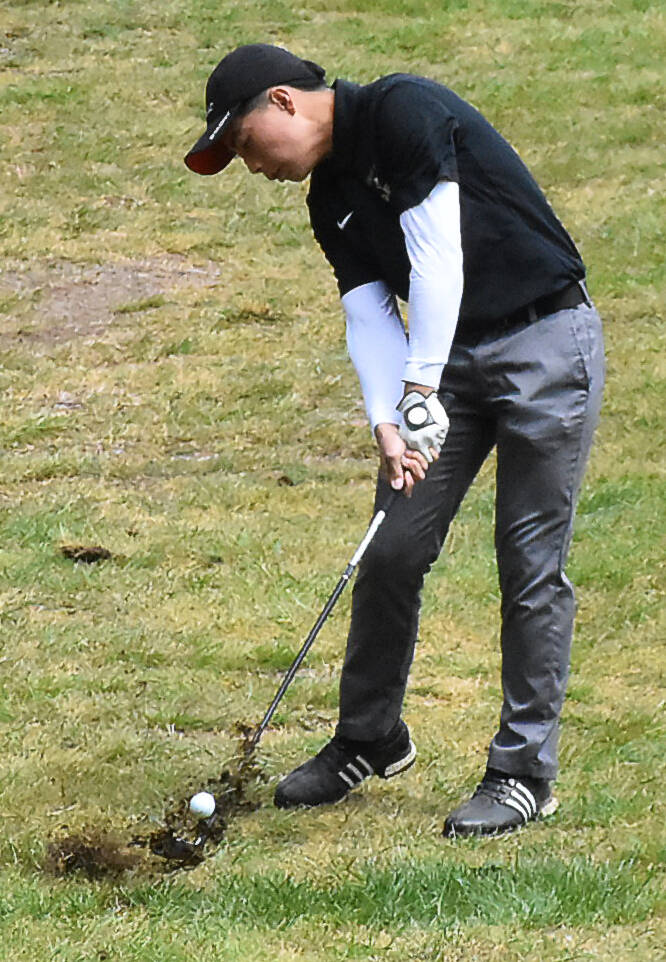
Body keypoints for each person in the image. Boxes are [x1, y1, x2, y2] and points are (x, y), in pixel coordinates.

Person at [184, 43, 605, 836]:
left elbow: (437, 254)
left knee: (528, 561)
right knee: (391, 549)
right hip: (443, 365)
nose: (251, 167)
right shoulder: (326, 198)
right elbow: (369, 310)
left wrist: (419, 386)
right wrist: (387, 417)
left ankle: (523, 774)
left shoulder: (402, 108)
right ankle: (371, 736)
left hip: (544, 339)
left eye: (242, 144)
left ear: (282, 102)